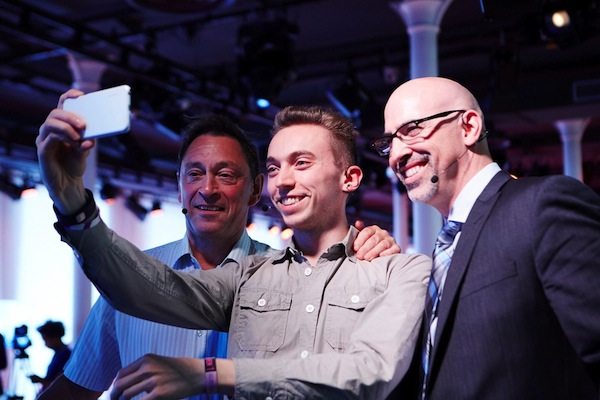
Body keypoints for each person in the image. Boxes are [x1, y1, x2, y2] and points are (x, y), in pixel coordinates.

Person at [36, 103, 431, 399]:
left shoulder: (399, 270)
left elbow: (370, 372)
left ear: (350, 177)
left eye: (301, 163)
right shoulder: (250, 276)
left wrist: (212, 372)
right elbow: (146, 288)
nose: (283, 181)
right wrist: (72, 201)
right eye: (274, 168)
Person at [375, 76, 600, 399]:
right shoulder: (443, 249)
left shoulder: (540, 206)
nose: (396, 154)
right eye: (388, 143)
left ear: (469, 127)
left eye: (412, 130)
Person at [28, 321, 72, 392]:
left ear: (54, 337)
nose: (45, 343)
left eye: (45, 339)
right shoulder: (59, 353)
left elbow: (61, 383)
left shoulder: (64, 355)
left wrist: (41, 380)